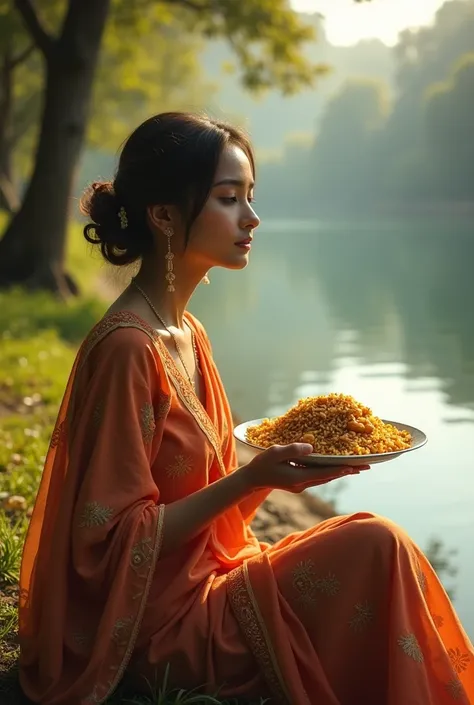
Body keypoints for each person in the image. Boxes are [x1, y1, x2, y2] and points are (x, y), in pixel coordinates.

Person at [19, 112, 473, 705]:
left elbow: (209, 516)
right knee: (376, 543)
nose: (252, 218)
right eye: (229, 198)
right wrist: (252, 476)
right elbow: (112, 544)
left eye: (250, 197)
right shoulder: (129, 349)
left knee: (371, 543)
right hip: (158, 625)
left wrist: (273, 480)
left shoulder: (188, 333)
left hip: (209, 579)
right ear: (162, 215)